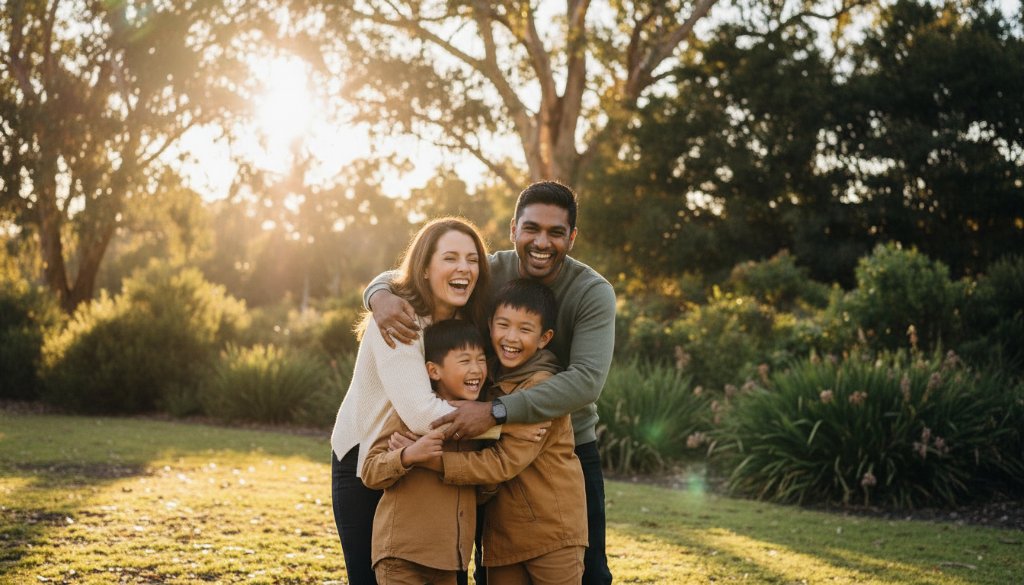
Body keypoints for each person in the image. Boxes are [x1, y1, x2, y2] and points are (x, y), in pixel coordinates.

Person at [366, 182, 615, 585]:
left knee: (589, 572)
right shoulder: (490, 269)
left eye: (555, 233)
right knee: (493, 562)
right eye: (531, 228)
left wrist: (497, 411)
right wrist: (378, 294)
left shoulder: (592, 292)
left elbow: (586, 381)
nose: (541, 242)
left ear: (572, 237)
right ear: (514, 228)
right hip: (482, 436)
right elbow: (416, 268)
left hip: (562, 443)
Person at [330, 217, 493, 585]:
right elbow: (422, 415)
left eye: (472, 259)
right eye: (450, 258)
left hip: (427, 456)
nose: (463, 268)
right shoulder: (397, 318)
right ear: (424, 267)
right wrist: (503, 419)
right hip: (366, 457)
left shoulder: (466, 320)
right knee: (371, 576)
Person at [432, 278, 588, 584]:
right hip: (502, 535)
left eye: (525, 329)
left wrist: (434, 461)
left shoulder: (542, 388)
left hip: (552, 532)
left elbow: (502, 462)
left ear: (545, 338)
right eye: (503, 325)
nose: (511, 337)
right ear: (489, 325)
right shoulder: (484, 377)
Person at [361, 319, 492, 584]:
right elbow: (370, 471)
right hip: (402, 557)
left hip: (449, 562)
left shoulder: (480, 427)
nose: (476, 369)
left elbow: (484, 489)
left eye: (481, 360)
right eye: (465, 361)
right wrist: (409, 455)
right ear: (433, 371)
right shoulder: (410, 414)